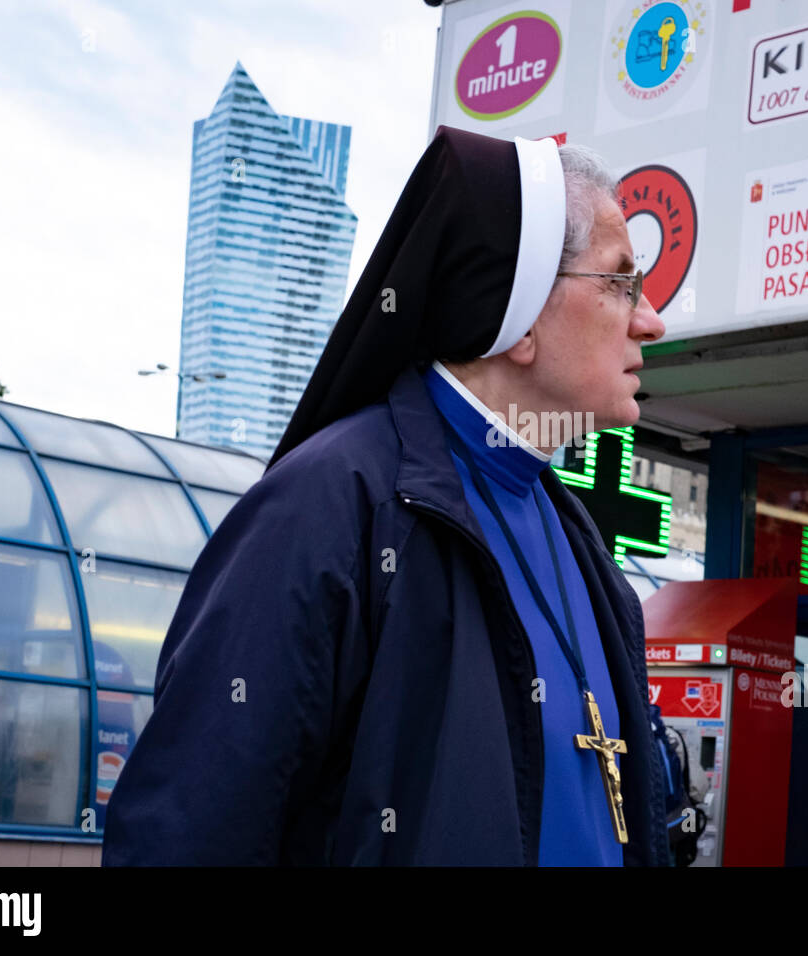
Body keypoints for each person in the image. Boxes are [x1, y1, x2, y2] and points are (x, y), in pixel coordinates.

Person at [103, 126, 671, 866]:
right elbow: (188, 835)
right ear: (523, 313)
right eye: (621, 281)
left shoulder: (577, 540)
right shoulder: (327, 510)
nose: (651, 320)